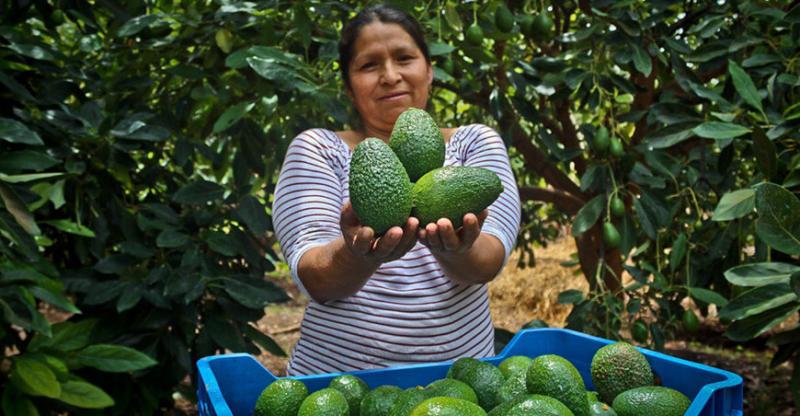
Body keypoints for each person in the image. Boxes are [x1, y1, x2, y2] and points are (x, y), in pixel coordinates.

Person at [271, 4, 521, 376]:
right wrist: (360, 255)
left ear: (429, 69)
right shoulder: (318, 149)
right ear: (348, 83)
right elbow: (315, 278)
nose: (390, 76)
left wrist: (457, 250)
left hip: (460, 386)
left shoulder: (474, 144)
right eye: (369, 65)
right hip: (336, 387)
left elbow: (488, 262)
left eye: (404, 57)